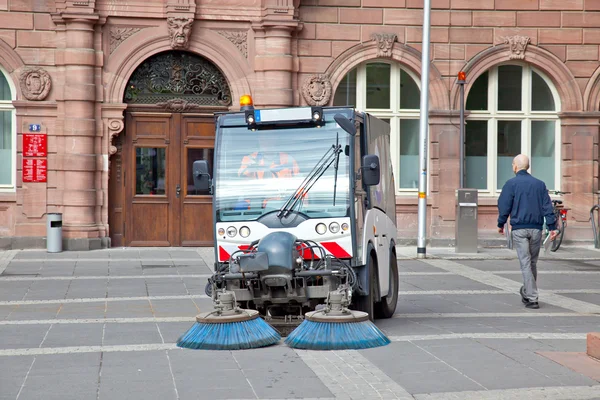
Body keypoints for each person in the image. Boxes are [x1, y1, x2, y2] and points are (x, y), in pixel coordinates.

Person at [497, 154, 558, 309]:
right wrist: (552, 227)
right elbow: (547, 207)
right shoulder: (539, 184)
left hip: (519, 229)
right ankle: (527, 291)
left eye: (512, 165)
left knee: (525, 263)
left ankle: (532, 297)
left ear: (515, 166)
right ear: (528, 167)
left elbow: (504, 205)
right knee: (532, 262)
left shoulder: (511, 184)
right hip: (536, 229)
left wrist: (501, 223)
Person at [235, 134, 300, 209]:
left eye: (269, 136)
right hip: (254, 205)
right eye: (263, 136)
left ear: (276, 137)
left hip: (282, 205)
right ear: (258, 138)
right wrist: (250, 168)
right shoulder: (249, 159)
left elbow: (299, 184)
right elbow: (240, 177)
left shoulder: (288, 160)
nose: (266, 140)